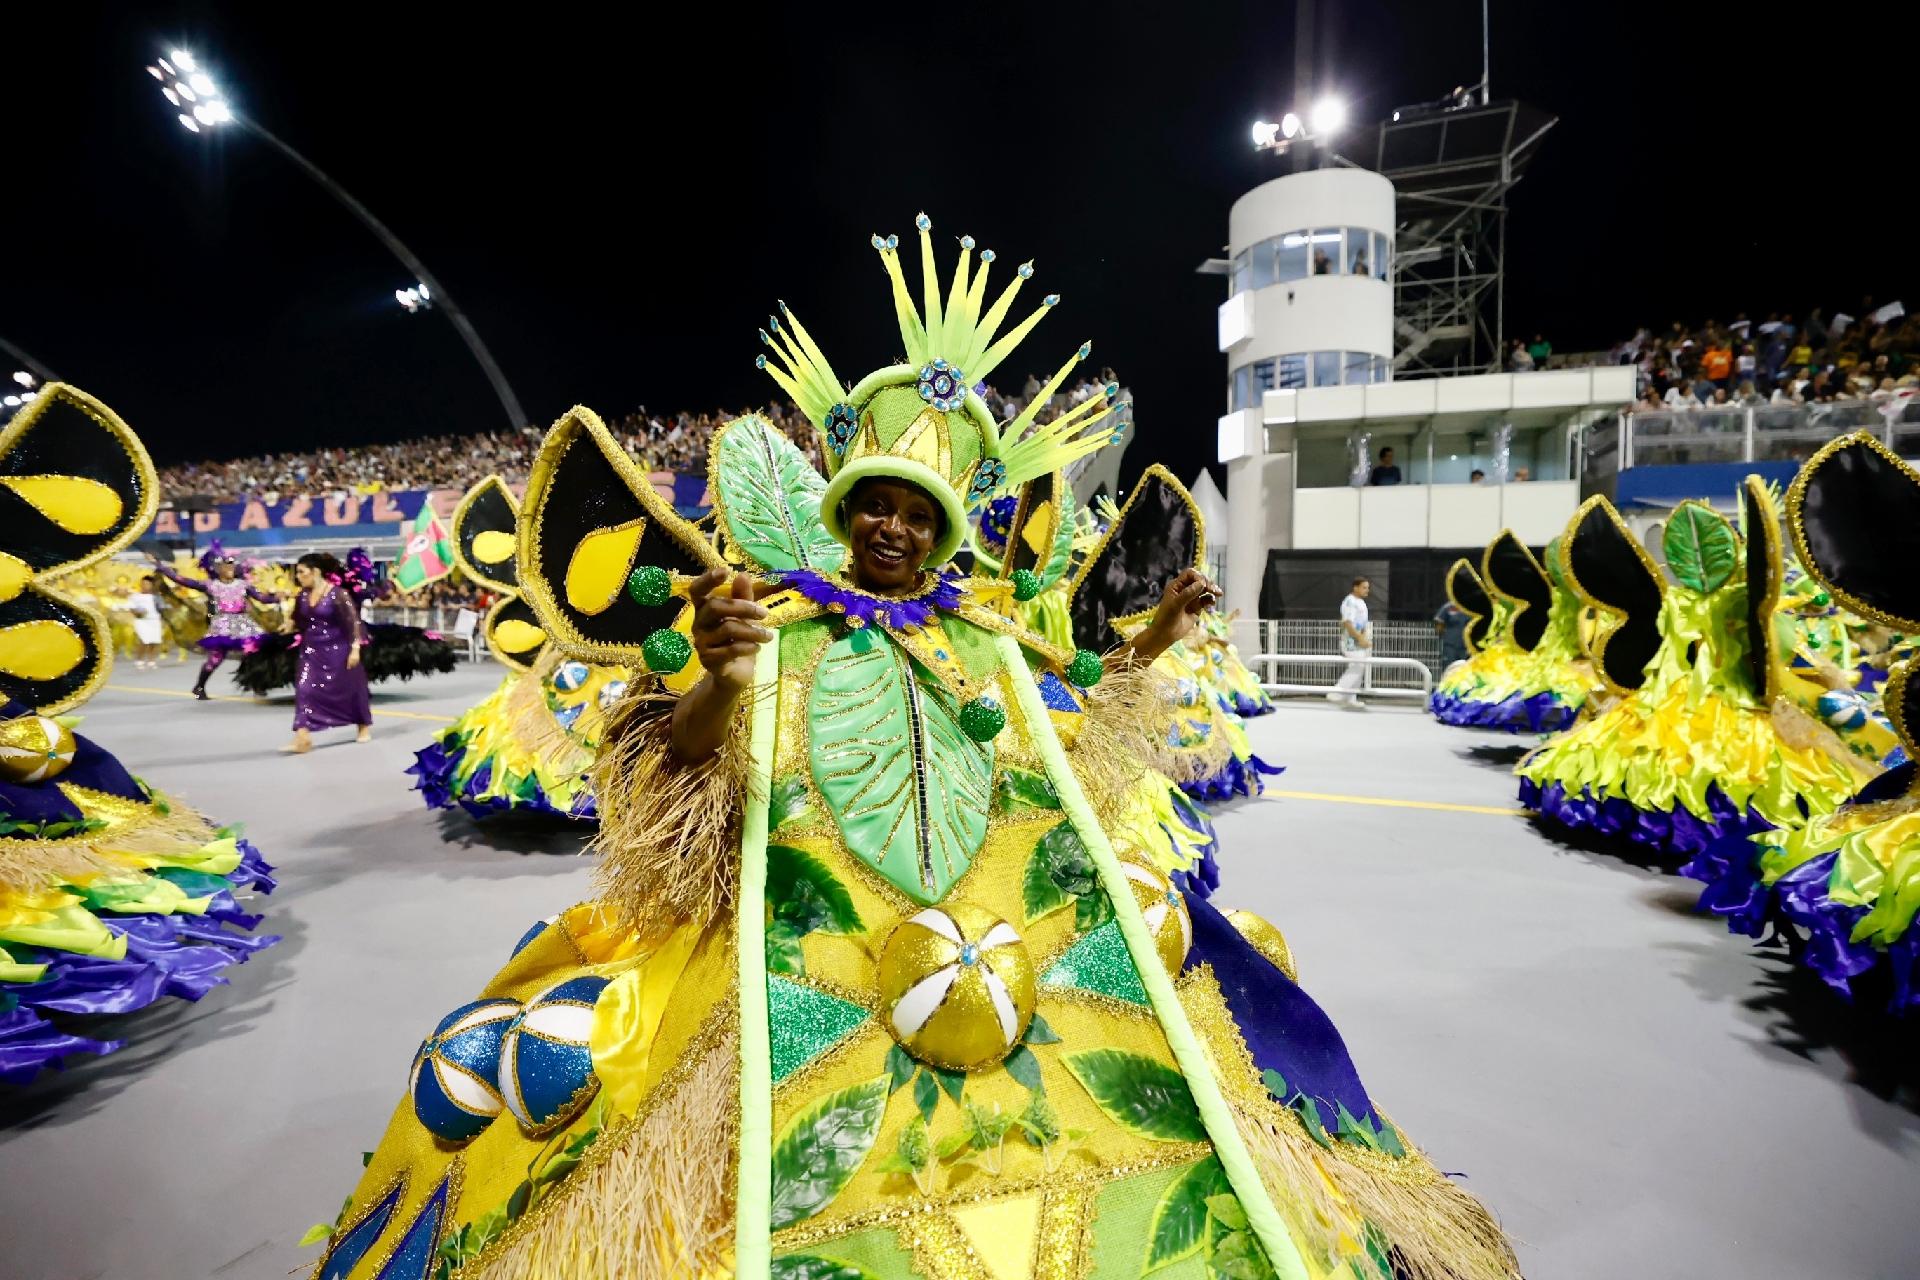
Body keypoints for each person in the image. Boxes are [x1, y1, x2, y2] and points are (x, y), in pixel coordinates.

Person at [310, 219, 1515, 1280]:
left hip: (999, 956)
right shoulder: (765, 620)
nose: (894, 525)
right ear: (843, 508)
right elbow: (676, 783)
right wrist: (720, 682)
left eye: (920, 512)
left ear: (944, 528)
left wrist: (1152, 632)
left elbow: (1077, 718)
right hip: (799, 956)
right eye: (877, 503)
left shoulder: (984, 633)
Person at [151, 542, 280, 699]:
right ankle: (199, 686)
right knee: (216, 658)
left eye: (232, 565)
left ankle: (256, 685)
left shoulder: (243, 585)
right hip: (223, 624)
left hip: (244, 623)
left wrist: (275, 598)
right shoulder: (211, 585)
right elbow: (182, 580)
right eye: (226, 566)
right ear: (218, 569)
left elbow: (261, 598)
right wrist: (161, 566)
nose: (230, 568)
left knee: (254, 653)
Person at [283, 552, 372, 753]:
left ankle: (363, 725)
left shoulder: (338, 594)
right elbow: (297, 619)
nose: (298, 576)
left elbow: (353, 622)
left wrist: (355, 649)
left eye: (301, 572)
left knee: (351, 689)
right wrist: (287, 625)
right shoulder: (302, 595)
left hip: (338, 649)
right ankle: (302, 736)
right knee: (304, 688)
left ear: (315, 572)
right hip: (311, 650)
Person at [1329, 575, 1372, 708]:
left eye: (1368, 588)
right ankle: (1337, 691)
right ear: (1356, 587)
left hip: (1359, 641)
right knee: (1357, 666)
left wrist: (1364, 637)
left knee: (1359, 667)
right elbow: (1348, 622)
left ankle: (1350, 698)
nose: (1367, 590)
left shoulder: (1361, 602)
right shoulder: (1349, 601)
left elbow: (1363, 623)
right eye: (1364, 587)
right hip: (1350, 642)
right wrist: (1359, 638)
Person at [127, 574, 165, 669]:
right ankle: (139, 660)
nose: (145, 586)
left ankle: (151, 660)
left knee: (154, 641)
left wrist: (163, 619)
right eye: (143, 584)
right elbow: (131, 608)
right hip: (141, 621)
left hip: (154, 620)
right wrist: (138, 612)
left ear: (152, 585)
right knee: (144, 641)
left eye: (147, 584)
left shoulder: (157, 597)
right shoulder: (135, 596)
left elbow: (162, 609)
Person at [1434, 596, 1469, 668]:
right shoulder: (1448, 607)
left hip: (1466, 645)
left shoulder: (1470, 608)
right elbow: (1439, 622)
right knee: (1449, 666)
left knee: (1465, 667)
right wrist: (1443, 634)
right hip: (1450, 645)